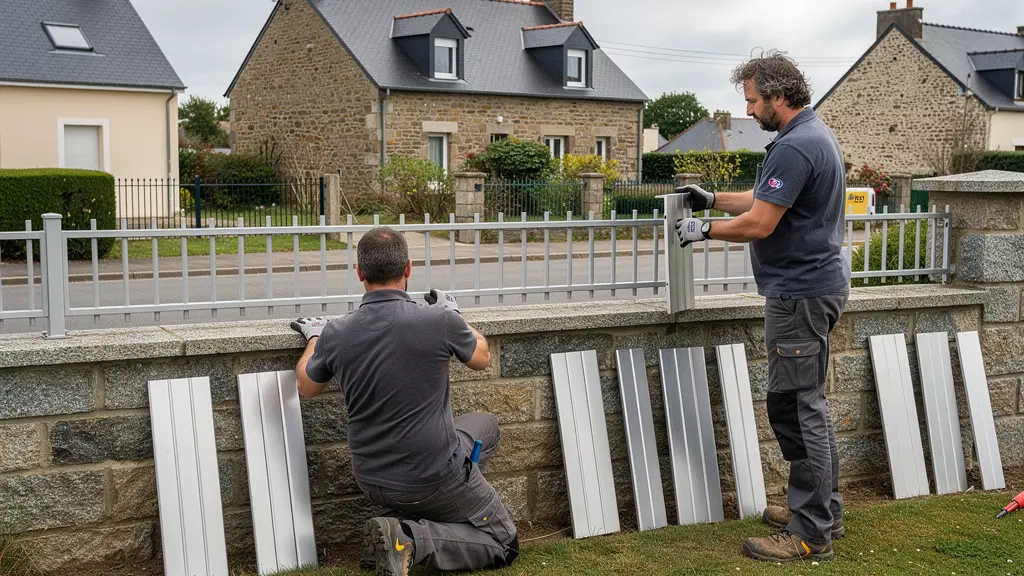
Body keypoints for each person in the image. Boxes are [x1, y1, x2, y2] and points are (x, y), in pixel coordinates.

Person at [675, 50, 850, 563]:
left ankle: (810, 533)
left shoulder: (795, 147)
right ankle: (824, 512)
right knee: (803, 404)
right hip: (814, 287)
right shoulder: (813, 134)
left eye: (752, 100)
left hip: (799, 294)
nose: (749, 111)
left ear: (777, 95)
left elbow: (760, 223)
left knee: (799, 408)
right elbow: (763, 199)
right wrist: (711, 200)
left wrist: (703, 229)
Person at [289, 226, 519, 576]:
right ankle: (410, 538)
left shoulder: (336, 332)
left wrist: (315, 338)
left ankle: (414, 518)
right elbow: (482, 357)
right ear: (408, 269)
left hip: (372, 478)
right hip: (431, 474)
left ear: (360, 273)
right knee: (504, 544)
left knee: (484, 425)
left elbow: (306, 386)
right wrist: (453, 312)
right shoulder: (439, 320)